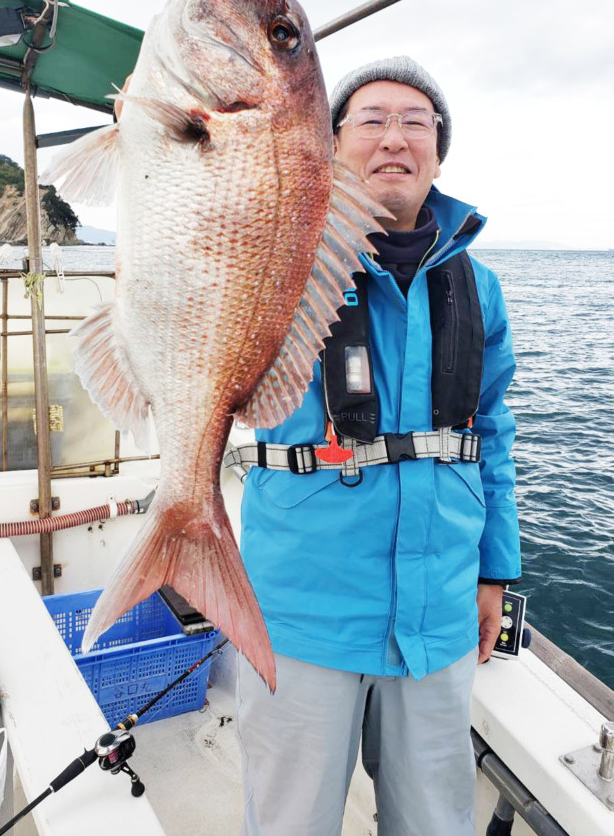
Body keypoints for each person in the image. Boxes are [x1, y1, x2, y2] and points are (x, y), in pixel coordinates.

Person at [233, 55, 521, 836]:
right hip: (303, 612)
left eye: (416, 122)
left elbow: (491, 435)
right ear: (329, 147)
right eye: (371, 120)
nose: (395, 137)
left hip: (438, 614)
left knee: (435, 822)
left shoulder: (479, 286)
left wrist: (495, 570)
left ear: (438, 152)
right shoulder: (277, 256)